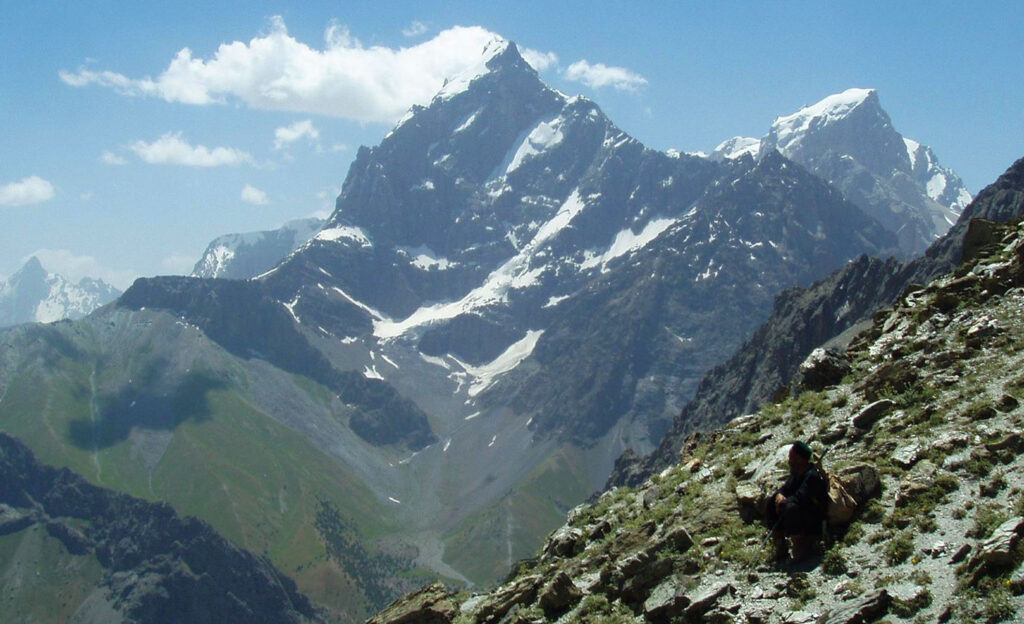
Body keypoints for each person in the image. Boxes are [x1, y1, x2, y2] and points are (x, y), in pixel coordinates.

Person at [766, 441, 827, 562]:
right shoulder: (797, 473)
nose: (789, 461)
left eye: (791, 457)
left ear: (799, 459)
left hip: (812, 519)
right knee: (771, 501)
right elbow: (786, 488)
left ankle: (800, 546)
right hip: (799, 512)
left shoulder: (812, 476)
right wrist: (779, 495)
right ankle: (780, 545)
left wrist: (782, 503)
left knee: (790, 507)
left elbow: (800, 497)